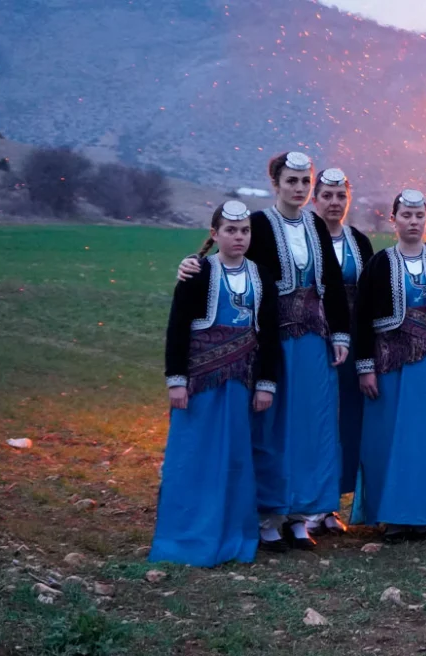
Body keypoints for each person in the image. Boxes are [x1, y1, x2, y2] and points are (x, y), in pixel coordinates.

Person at [177, 152, 350, 551]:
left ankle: (299, 516)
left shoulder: (316, 225)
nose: (300, 189)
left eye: (305, 182)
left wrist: (340, 333)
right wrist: (190, 266)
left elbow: (332, 282)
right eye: (292, 181)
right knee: (272, 427)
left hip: (314, 341)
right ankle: (267, 516)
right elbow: (228, 261)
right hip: (273, 341)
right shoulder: (256, 224)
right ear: (276, 183)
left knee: (310, 425)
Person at [153, 201, 278, 567]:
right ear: (215, 233)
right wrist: (176, 381)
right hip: (200, 385)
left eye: (244, 231)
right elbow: (177, 328)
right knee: (194, 455)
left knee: (235, 458)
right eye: (230, 230)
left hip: (241, 384)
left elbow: (269, 335)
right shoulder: (197, 272)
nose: (239, 237)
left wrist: (266, 383)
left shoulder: (261, 276)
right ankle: (185, 536)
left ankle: (231, 534)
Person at [353, 189, 426, 541]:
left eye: (419, 216)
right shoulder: (378, 264)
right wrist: (365, 367)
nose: (413, 222)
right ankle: (394, 517)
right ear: (394, 220)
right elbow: (361, 317)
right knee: (391, 439)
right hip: (390, 366)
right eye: (406, 215)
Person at [311, 168, 374, 526]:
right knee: (314, 417)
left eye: (341, 196)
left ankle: (331, 503)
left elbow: (369, 300)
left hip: (349, 343)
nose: (334, 203)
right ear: (314, 199)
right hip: (311, 338)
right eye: (327, 196)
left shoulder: (359, 242)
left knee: (346, 420)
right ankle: (308, 503)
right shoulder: (302, 238)